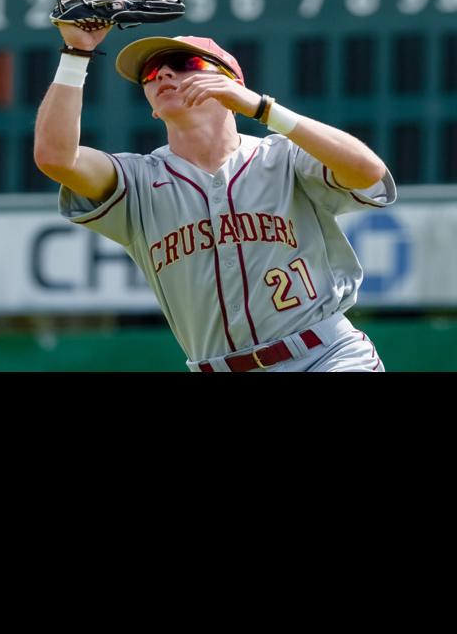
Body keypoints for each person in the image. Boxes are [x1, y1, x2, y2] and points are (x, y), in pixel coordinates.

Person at [33, 19, 396, 372]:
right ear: (153, 108)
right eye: (150, 73)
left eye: (183, 64)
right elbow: (56, 157)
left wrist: (262, 108)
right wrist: (76, 53)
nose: (162, 75)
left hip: (325, 357)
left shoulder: (283, 158)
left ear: (232, 84)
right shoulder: (137, 181)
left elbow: (367, 171)